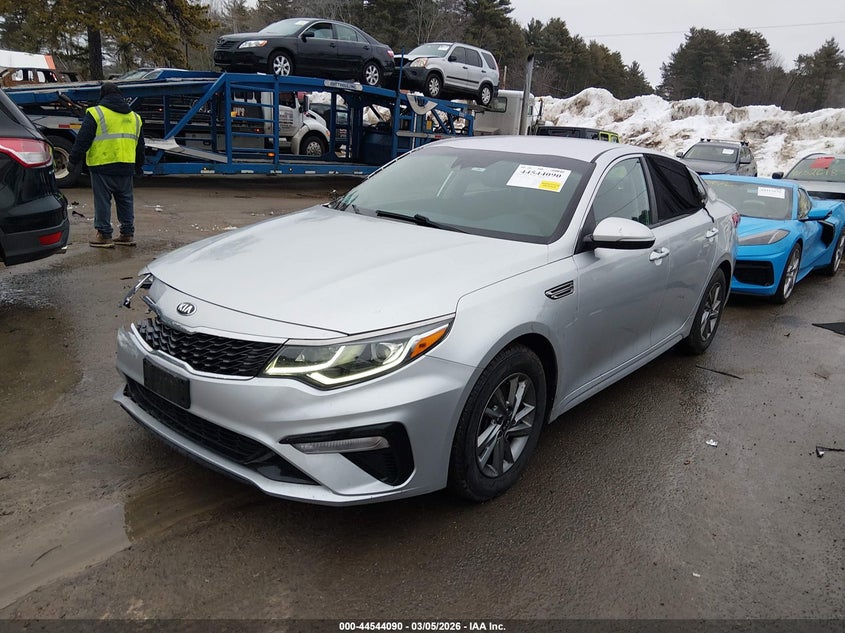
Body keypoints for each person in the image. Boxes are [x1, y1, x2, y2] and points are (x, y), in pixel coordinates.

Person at [68, 81, 145, 248]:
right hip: (126, 166)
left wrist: (73, 160)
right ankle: (127, 233)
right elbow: (140, 146)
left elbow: (83, 140)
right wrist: (139, 166)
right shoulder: (134, 117)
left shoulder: (96, 113)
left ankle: (104, 235)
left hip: (102, 165)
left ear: (102, 95)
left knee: (103, 201)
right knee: (125, 200)